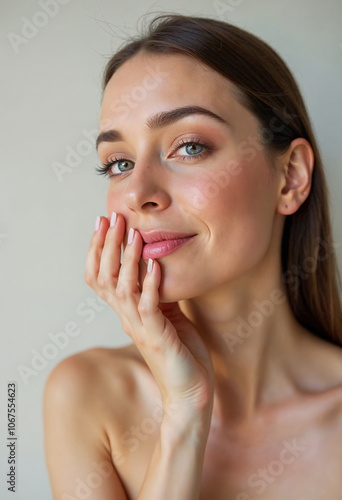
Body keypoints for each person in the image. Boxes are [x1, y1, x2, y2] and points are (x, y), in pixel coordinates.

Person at [43, 13, 342, 500]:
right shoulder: (84, 395)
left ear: (289, 178)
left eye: (189, 147)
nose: (139, 192)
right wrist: (185, 411)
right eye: (119, 163)